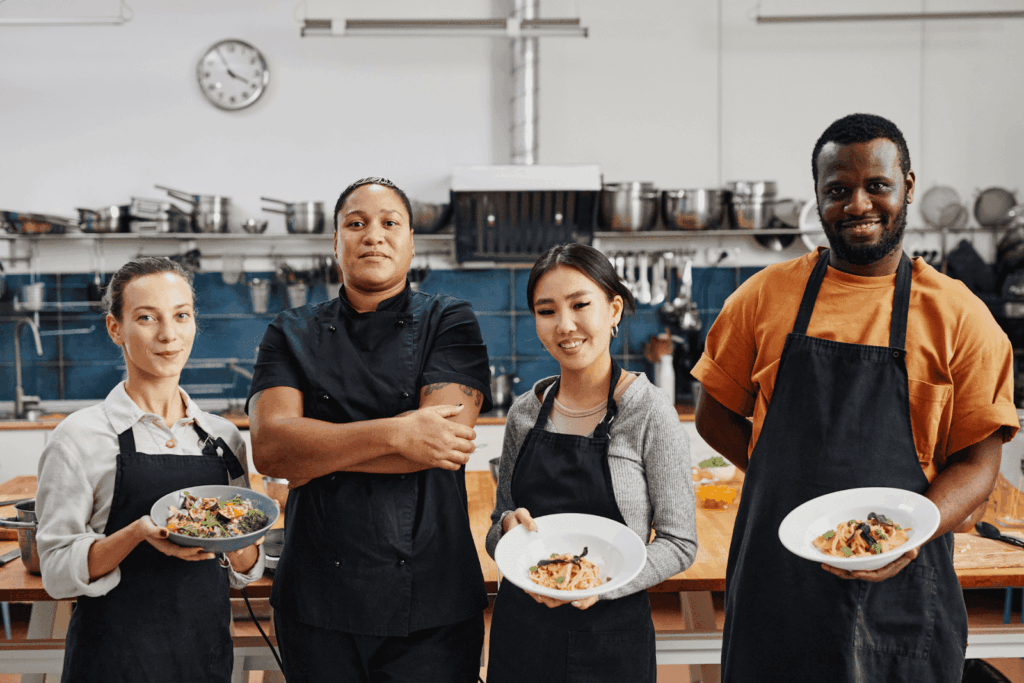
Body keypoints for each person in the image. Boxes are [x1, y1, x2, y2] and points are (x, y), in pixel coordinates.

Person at [692, 113, 1020, 682]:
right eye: (838, 191)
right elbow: (713, 415)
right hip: (779, 579)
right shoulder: (763, 298)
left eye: (878, 186)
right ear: (817, 198)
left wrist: (913, 529)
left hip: (905, 585)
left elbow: (978, 462)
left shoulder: (960, 316)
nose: (858, 205)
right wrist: (783, 478)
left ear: (908, 187)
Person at [247, 176, 493, 683]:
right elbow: (271, 450)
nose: (372, 235)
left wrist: (314, 446)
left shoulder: (452, 321)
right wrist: (399, 434)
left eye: (389, 223)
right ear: (335, 242)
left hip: (433, 598)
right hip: (317, 600)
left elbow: (440, 443)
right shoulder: (289, 331)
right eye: (354, 224)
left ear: (410, 242)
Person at [35, 257, 264, 683]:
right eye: (146, 318)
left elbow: (245, 569)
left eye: (181, 316)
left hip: (204, 658)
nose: (168, 335)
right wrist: (138, 533)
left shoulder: (223, 438)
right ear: (115, 328)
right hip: (112, 663)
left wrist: (234, 537)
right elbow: (57, 573)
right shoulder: (79, 437)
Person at [484, 243, 698, 683]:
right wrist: (506, 529)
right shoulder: (524, 414)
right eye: (547, 311)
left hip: (611, 642)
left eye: (581, 304)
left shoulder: (650, 412)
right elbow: (496, 527)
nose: (565, 325)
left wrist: (598, 585)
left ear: (614, 309)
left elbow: (679, 543)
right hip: (522, 636)